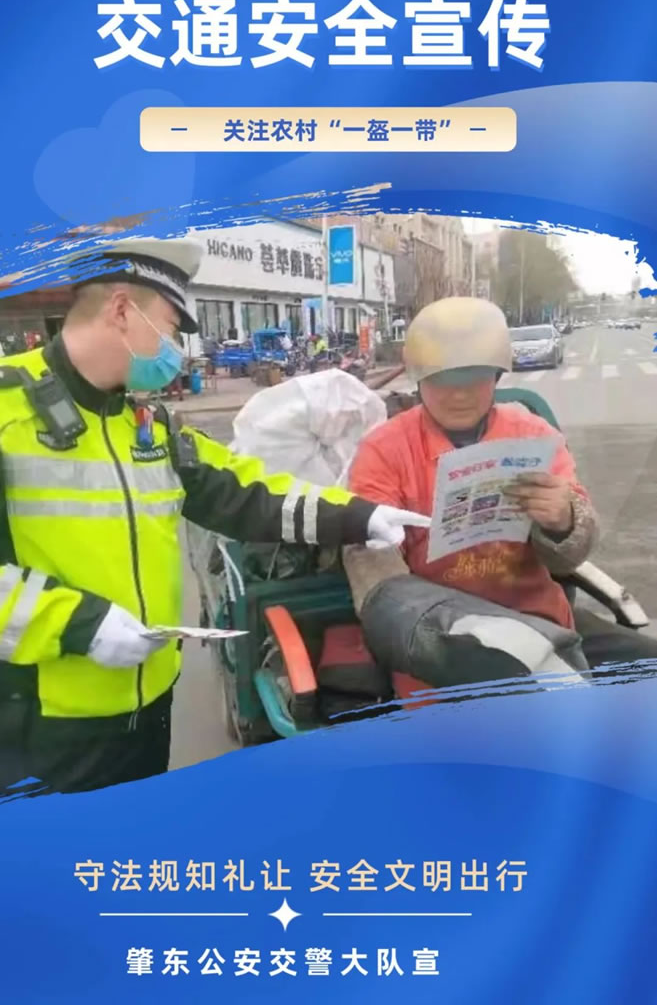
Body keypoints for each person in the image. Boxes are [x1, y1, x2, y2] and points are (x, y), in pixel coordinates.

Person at [0, 237, 428, 796]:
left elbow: (247, 491)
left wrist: (358, 516)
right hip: (39, 725)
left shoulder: (145, 426)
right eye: (169, 326)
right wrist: (77, 623)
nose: (176, 349)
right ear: (122, 310)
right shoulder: (8, 411)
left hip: (147, 707)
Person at [343, 297, 657, 688]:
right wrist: (422, 623)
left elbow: (571, 555)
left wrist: (563, 521)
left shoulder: (533, 435)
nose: (459, 395)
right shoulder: (384, 450)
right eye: (443, 380)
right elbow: (376, 572)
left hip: (545, 620)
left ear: (497, 375)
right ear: (419, 378)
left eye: (474, 379)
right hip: (449, 638)